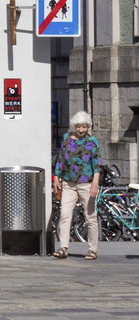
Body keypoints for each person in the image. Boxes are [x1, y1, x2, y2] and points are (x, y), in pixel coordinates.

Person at [53, 111, 101, 260]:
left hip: (86, 184)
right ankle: (63, 248)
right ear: (74, 126)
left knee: (90, 217)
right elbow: (60, 160)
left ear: (88, 127)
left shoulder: (92, 141)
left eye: (84, 127)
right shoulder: (67, 139)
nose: (81, 130)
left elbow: (97, 165)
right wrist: (56, 178)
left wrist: (95, 183)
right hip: (69, 183)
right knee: (65, 215)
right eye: (79, 127)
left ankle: (93, 249)